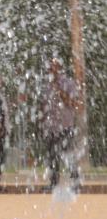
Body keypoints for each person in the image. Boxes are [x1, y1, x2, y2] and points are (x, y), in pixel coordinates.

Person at [42, 57, 79, 189]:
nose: (51, 69)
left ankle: (76, 182)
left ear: (59, 68)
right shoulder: (47, 86)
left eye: (53, 67)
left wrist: (59, 90)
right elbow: (45, 106)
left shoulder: (68, 83)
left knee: (68, 155)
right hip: (51, 127)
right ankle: (53, 183)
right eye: (50, 67)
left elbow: (74, 103)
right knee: (52, 157)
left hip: (65, 126)